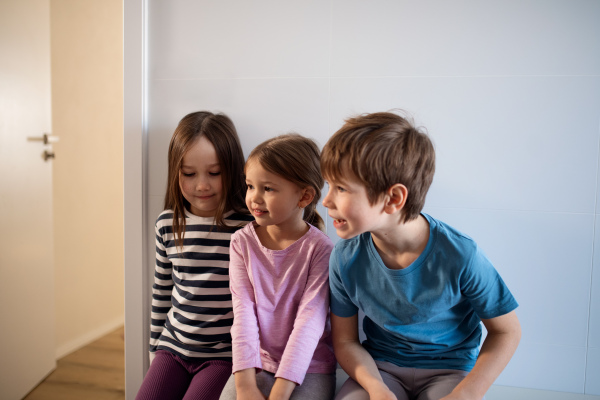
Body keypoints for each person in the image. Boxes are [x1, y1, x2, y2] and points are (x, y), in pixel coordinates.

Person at [321, 111, 521, 400]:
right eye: (329, 185)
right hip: (380, 370)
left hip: (450, 371)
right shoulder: (343, 257)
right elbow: (345, 340)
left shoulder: (461, 255)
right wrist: (377, 389)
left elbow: (507, 332)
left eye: (340, 188)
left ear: (393, 199)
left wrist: (465, 394)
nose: (326, 200)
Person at [136, 111, 254, 400]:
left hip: (222, 356)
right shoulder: (167, 224)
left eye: (214, 173)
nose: (202, 185)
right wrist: (154, 349)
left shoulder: (247, 228)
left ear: (233, 169)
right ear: (176, 172)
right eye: (189, 174)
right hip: (172, 348)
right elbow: (162, 291)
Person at [219, 134, 337, 400]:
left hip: (310, 368)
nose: (254, 198)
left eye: (268, 189)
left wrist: (280, 393)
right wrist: (245, 386)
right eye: (250, 186)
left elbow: (310, 323)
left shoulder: (320, 249)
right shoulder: (241, 242)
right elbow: (243, 315)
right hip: (256, 364)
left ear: (304, 196)